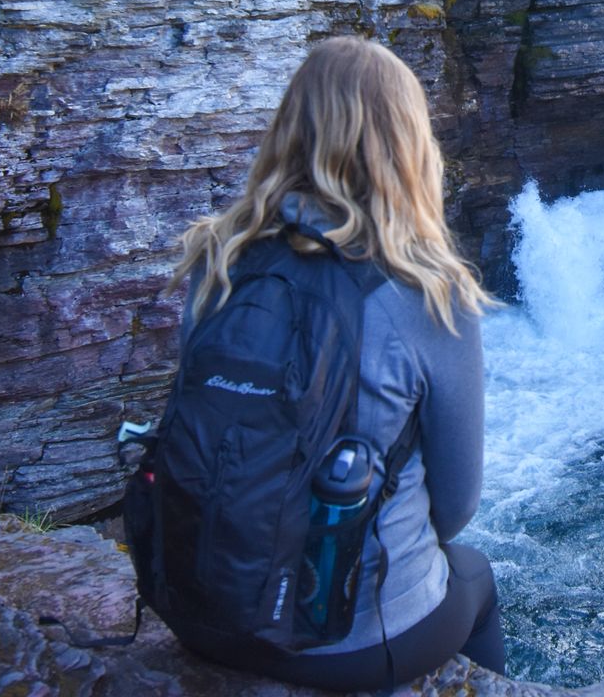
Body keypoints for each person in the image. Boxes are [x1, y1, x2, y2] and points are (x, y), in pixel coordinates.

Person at [168, 36, 504, 690]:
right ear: (407, 144)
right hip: (346, 638)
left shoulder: (217, 258)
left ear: (289, 131)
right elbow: (456, 505)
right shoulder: (431, 292)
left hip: (202, 612)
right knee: (476, 576)